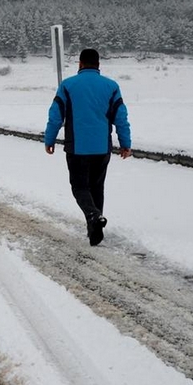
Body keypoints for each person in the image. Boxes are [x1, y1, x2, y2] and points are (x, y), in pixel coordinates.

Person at [44, 48, 132, 246]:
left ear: (80, 64)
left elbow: (55, 116)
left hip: (77, 148)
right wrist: (125, 143)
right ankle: (94, 229)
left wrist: (49, 139)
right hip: (102, 148)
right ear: (98, 64)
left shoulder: (67, 85)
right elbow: (121, 118)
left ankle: (93, 216)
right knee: (96, 187)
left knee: (79, 187)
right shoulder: (111, 86)